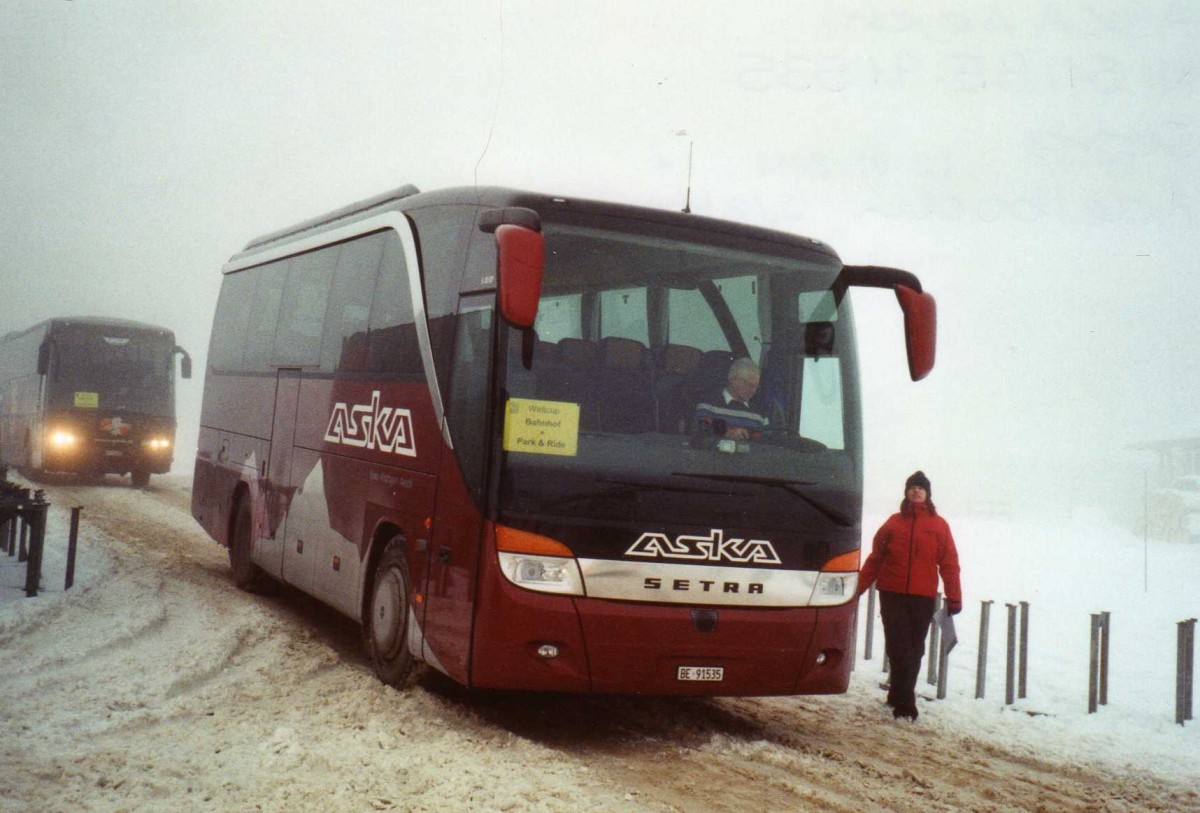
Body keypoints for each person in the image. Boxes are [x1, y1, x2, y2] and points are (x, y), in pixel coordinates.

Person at [857, 470, 962, 721]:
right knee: (898, 647)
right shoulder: (893, 523)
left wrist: (954, 596)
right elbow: (875, 558)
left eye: (921, 488)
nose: (916, 491)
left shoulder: (939, 525)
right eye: (912, 487)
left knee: (915, 649)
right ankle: (906, 704)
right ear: (906, 492)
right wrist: (857, 588)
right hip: (892, 593)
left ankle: (898, 694)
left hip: (922, 596)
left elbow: (949, 563)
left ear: (928, 494)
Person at [693, 357, 768, 441]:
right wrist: (727, 432)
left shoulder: (757, 413)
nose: (753, 391)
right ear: (734, 379)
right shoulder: (708, 403)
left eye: (756, 387)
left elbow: (761, 437)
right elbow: (703, 425)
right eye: (750, 385)